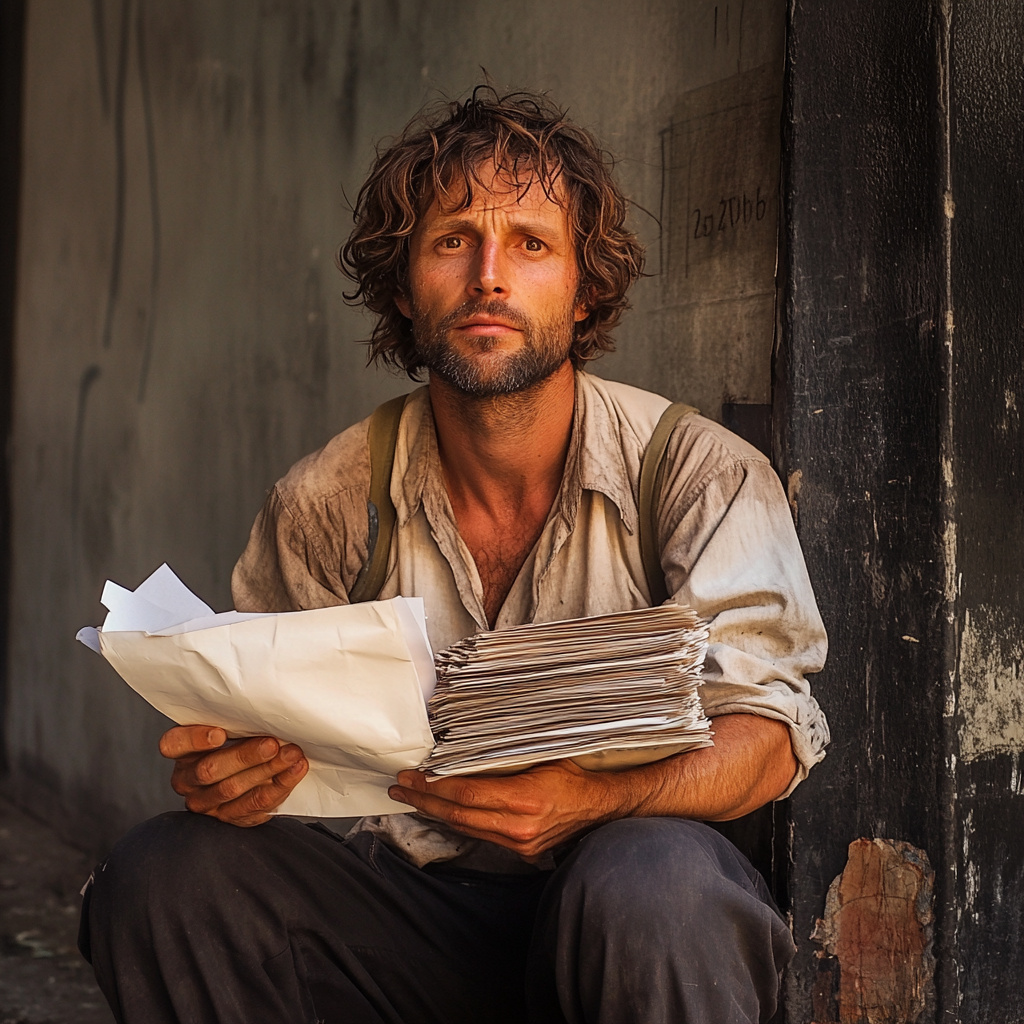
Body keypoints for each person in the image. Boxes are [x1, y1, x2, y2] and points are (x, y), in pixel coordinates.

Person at [80, 88, 829, 1024]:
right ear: (404, 286)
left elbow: (768, 738)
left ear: (584, 285)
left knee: (656, 877)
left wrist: (593, 801)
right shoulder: (326, 502)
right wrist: (233, 779)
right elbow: (255, 738)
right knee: (161, 873)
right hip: (405, 915)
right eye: (450, 242)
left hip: (626, 912)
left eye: (530, 242)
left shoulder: (696, 473)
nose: (488, 277)